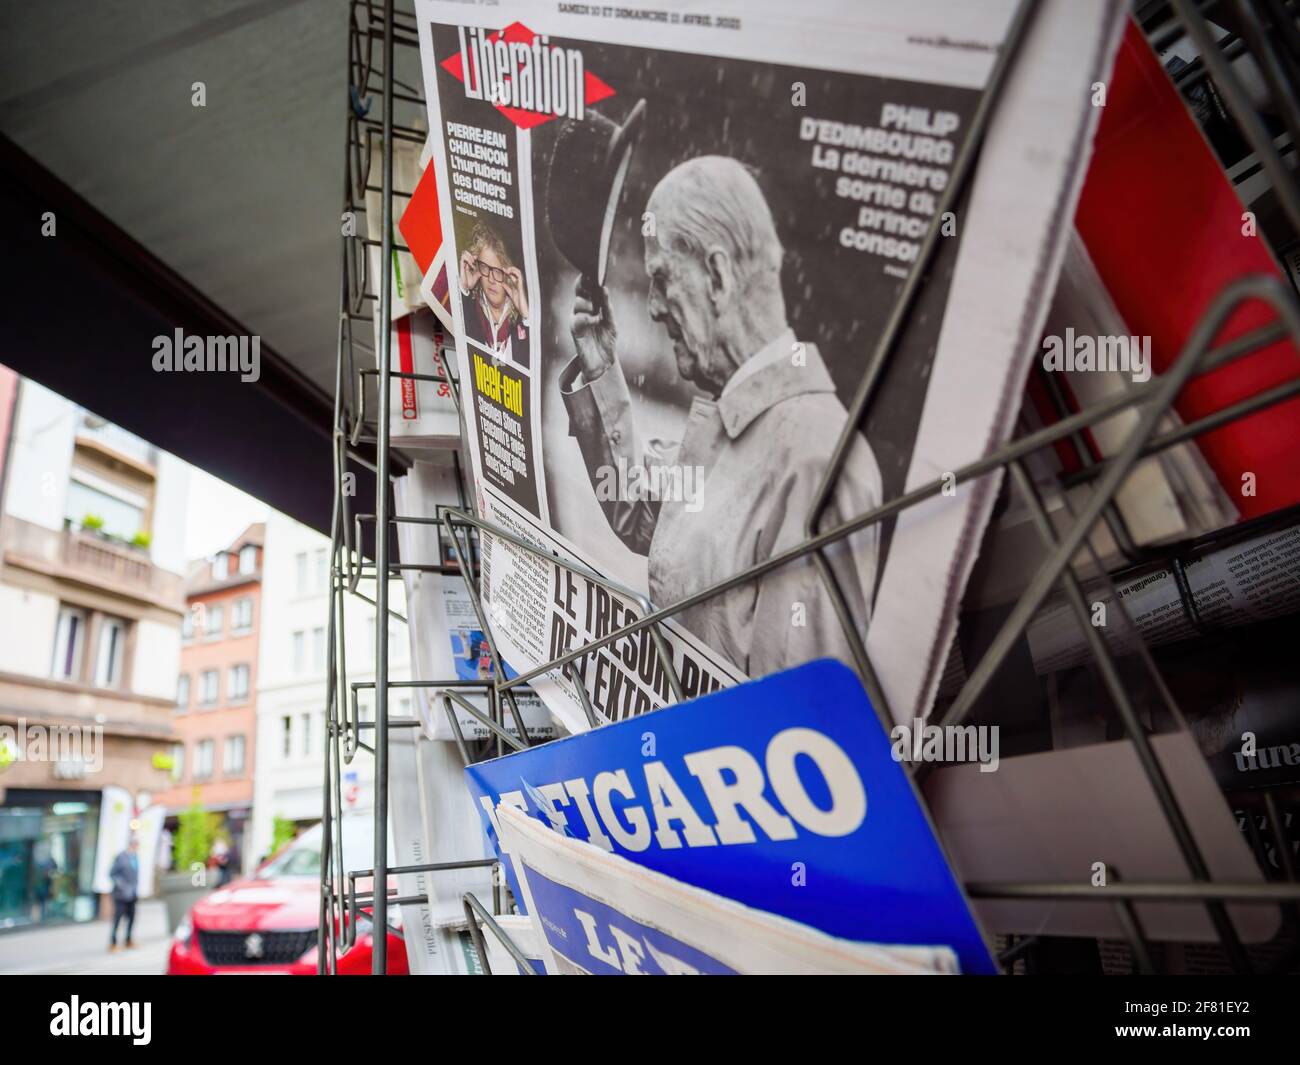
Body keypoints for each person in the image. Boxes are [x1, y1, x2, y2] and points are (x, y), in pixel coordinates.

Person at [562, 155, 882, 678]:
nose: (654, 308)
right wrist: (601, 368)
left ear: (717, 275)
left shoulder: (816, 457)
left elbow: (790, 720)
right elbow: (645, 519)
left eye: (662, 280)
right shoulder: (730, 411)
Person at [459, 220, 531, 367]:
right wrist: (463, 290)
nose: (491, 279)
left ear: (511, 276)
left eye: (498, 271)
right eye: (485, 267)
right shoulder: (471, 310)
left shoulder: (524, 320)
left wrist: (526, 317)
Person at [108, 837, 140, 952]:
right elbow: (112, 874)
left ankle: (128, 940)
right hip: (121, 894)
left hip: (132, 894)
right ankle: (113, 942)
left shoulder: (135, 857)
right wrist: (122, 886)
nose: (137, 847)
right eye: (135, 845)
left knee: (131, 917)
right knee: (118, 918)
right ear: (131, 845)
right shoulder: (121, 857)